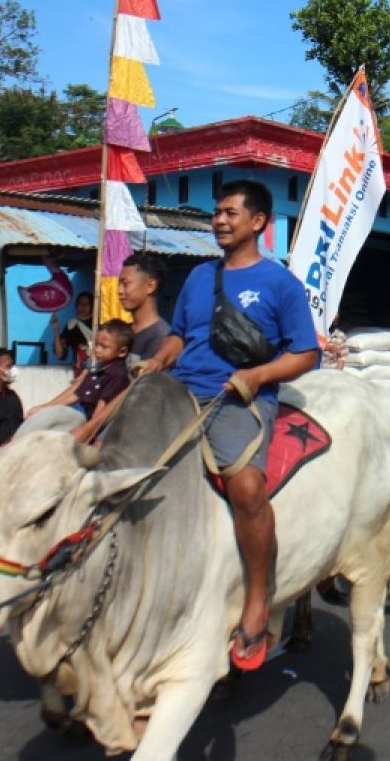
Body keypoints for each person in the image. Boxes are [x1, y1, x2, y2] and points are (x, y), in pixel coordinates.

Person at [141, 179, 318, 672]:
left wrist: (257, 375)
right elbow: (179, 336)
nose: (219, 220)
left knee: (245, 487)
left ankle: (258, 596)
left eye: (230, 213)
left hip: (237, 398)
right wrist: (158, 361)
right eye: (216, 212)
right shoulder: (199, 277)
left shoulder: (280, 282)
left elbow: (306, 353)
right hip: (180, 391)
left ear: (258, 221)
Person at [32, 320, 133, 444]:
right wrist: (46, 408)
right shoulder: (98, 367)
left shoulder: (117, 374)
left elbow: (103, 407)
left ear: (122, 352)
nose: (97, 350)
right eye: (96, 344)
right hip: (81, 414)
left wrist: (88, 431)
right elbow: (76, 394)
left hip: (93, 424)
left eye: (104, 347)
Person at [118, 253, 171, 367]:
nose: (119, 291)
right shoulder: (123, 332)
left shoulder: (161, 336)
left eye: (125, 284)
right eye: (119, 284)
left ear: (150, 286)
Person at [51, 291, 94, 377]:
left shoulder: (97, 323)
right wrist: (56, 330)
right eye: (80, 304)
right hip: (79, 371)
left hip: (96, 368)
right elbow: (60, 354)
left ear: (92, 306)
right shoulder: (72, 325)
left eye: (86, 304)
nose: (82, 307)